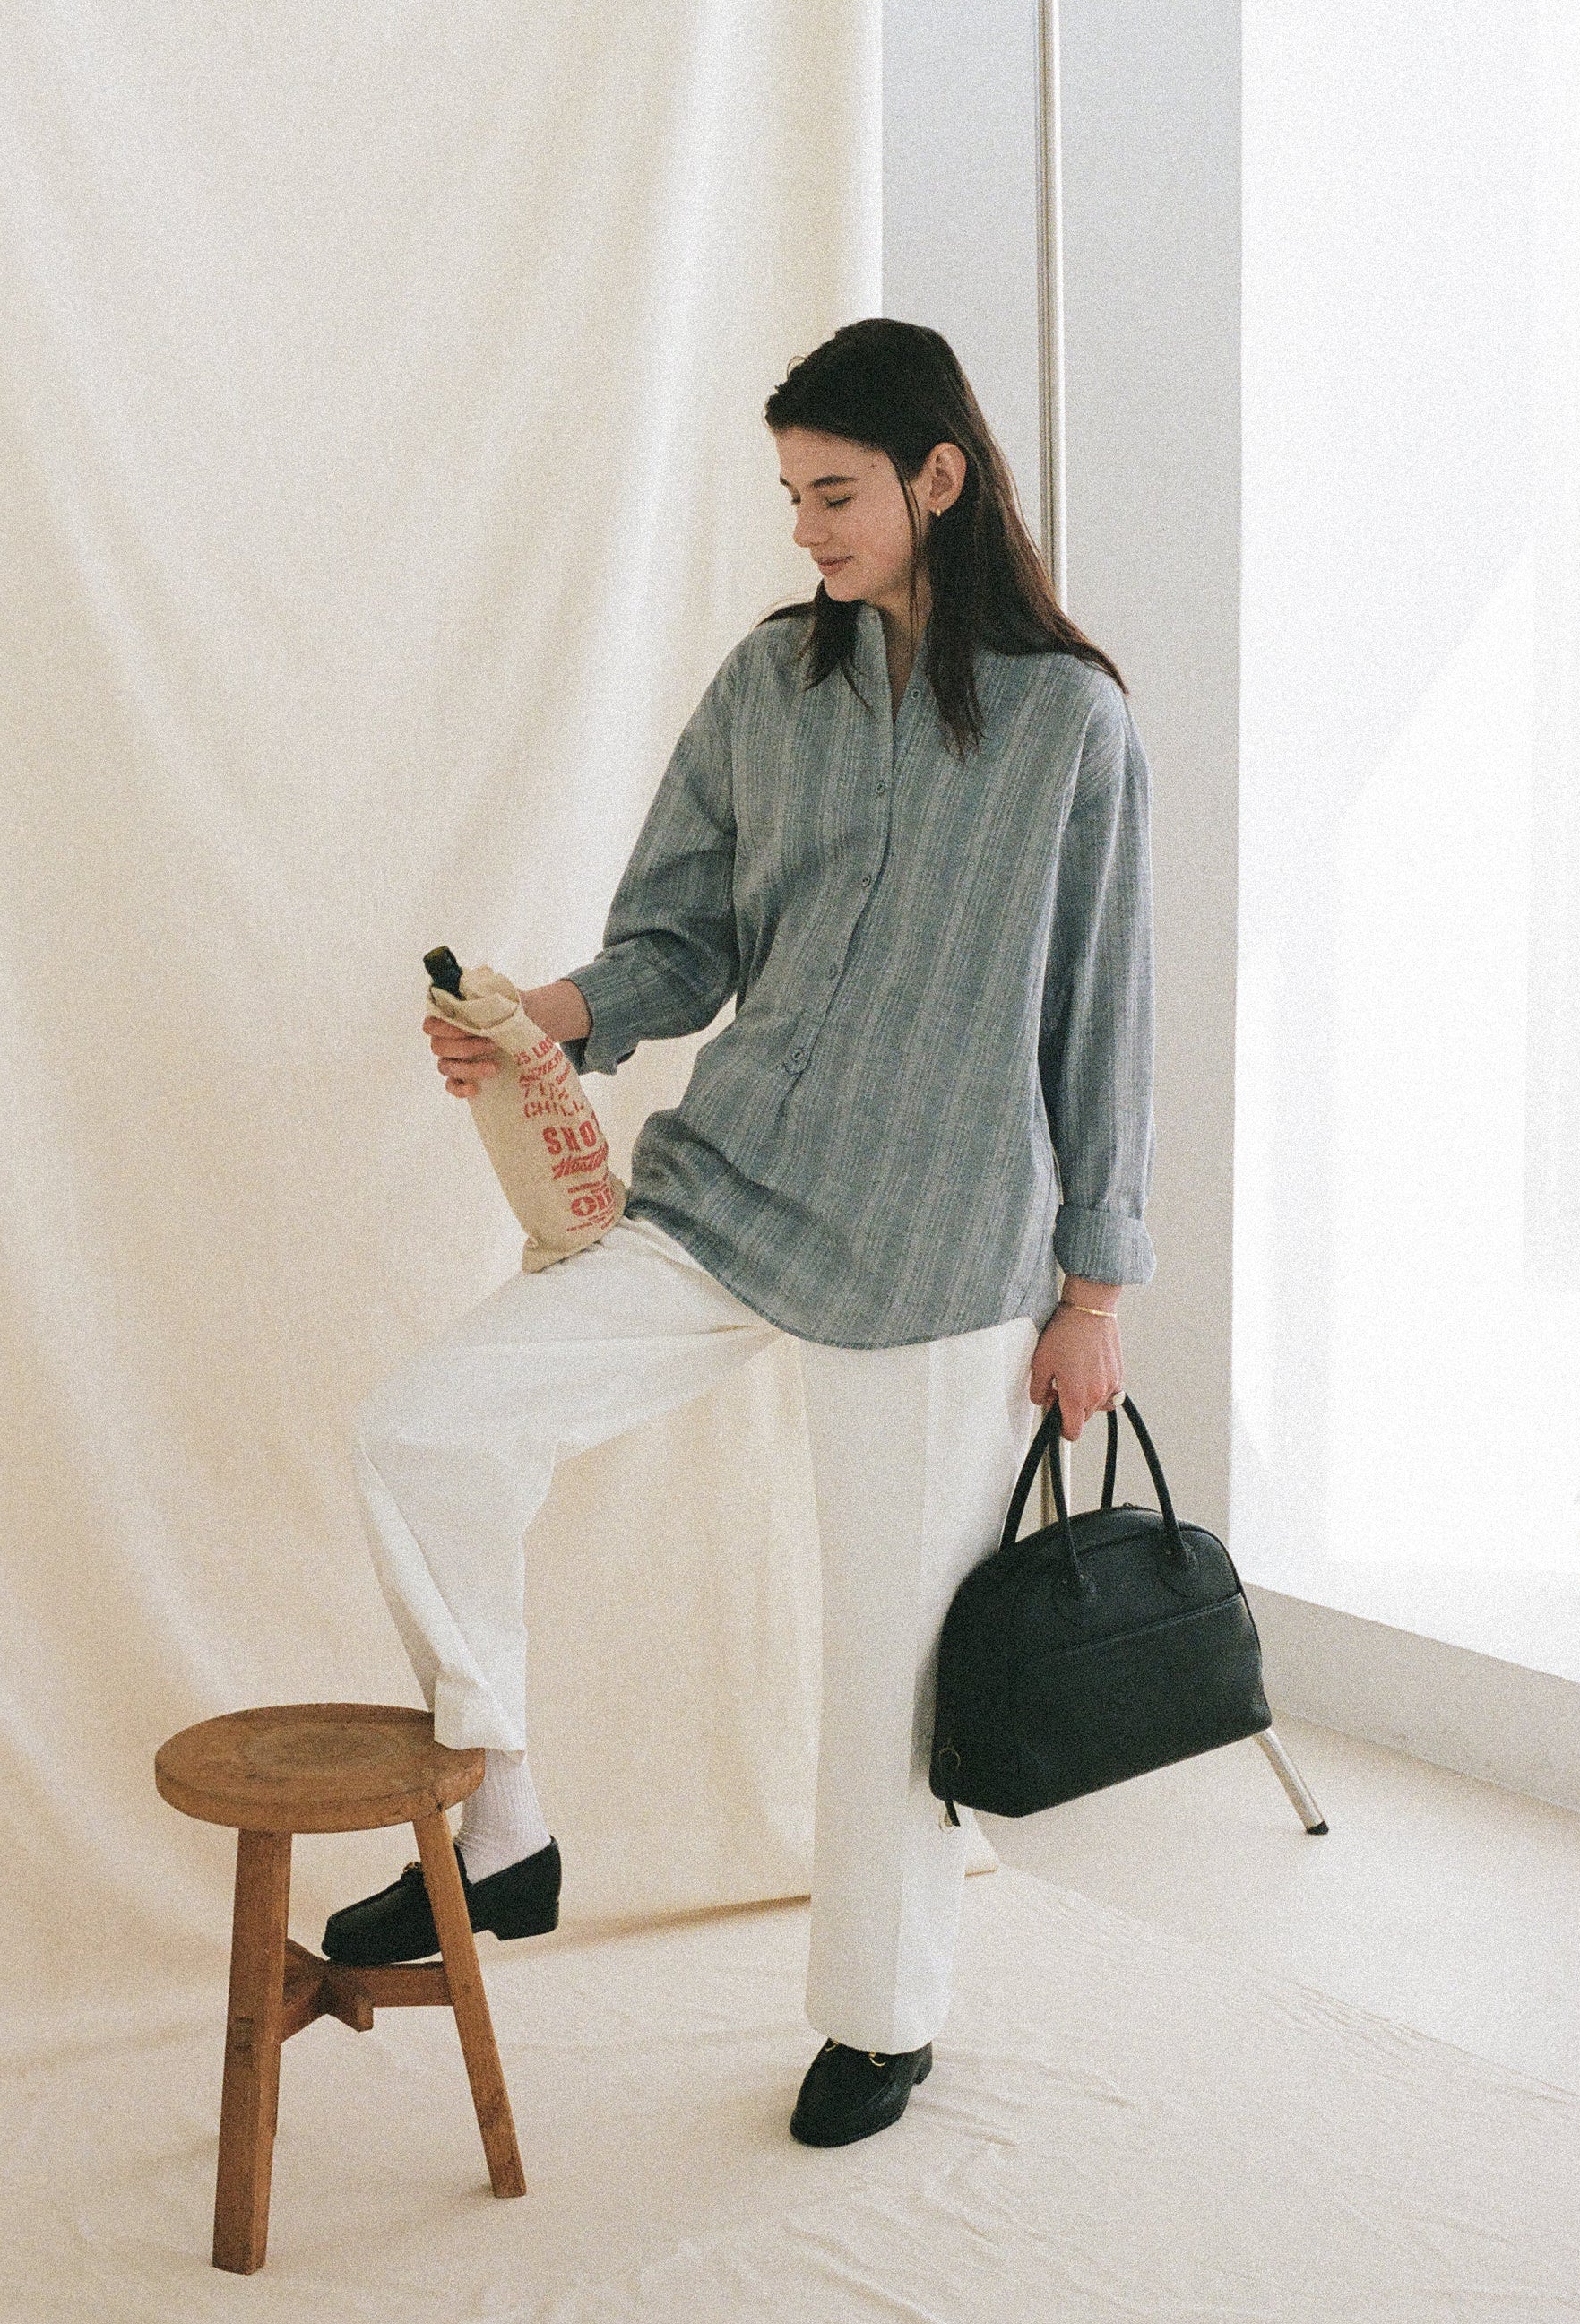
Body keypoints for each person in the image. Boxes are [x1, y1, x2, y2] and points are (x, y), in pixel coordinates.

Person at [324, 318, 1157, 2149]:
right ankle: (505, 1826)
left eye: (834, 492)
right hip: (735, 1187)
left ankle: (880, 2018)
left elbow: (1100, 1011)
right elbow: (679, 937)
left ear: (940, 477)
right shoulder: (769, 683)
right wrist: (542, 1019)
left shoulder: (1067, 724)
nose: (806, 530)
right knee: (425, 1428)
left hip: (944, 1239)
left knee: (891, 1662)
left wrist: (1094, 1285)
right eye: (789, 495)